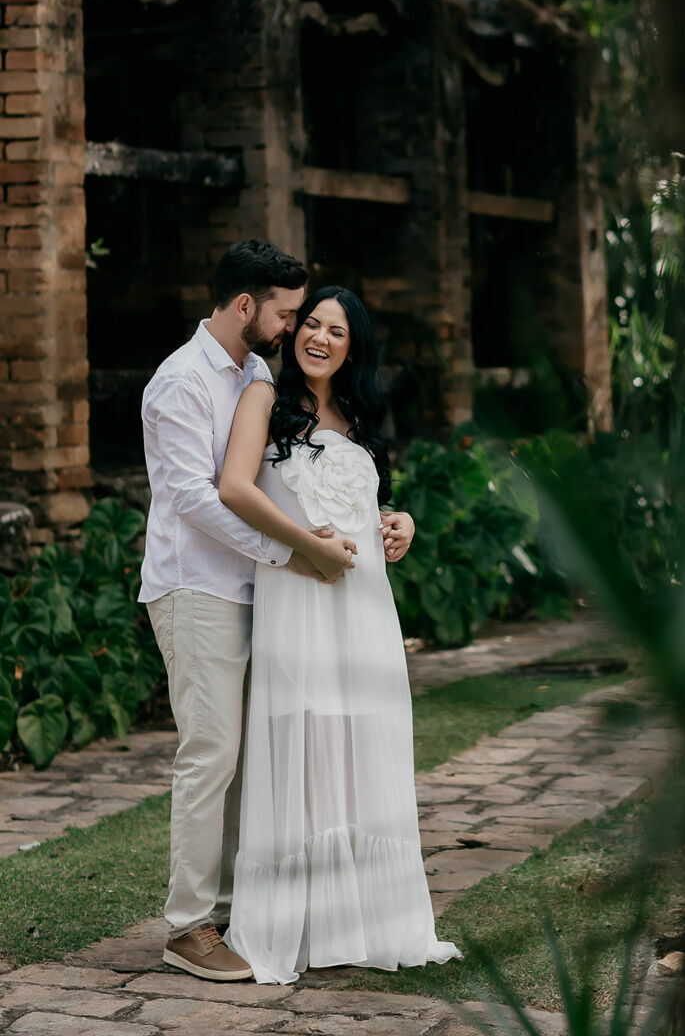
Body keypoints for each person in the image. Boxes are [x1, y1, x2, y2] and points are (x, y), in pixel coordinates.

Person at [217, 284, 460, 984]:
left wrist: (401, 523)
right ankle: (296, 922)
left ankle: (363, 919)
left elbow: (366, 506)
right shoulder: (265, 398)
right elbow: (238, 487)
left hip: (362, 604)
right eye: (311, 325)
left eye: (337, 331)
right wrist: (309, 547)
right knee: (306, 736)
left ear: (355, 347)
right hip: (299, 593)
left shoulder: (358, 412)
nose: (319, 338)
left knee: (360, 741)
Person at [141, 240, 361, 984]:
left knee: (246, 760)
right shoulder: (179, 383)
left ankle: (234, 907)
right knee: (211, 756)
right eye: (286, 312)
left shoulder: (256, 371)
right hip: (194, 588)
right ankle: (187, 927)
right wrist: (291, 553)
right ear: (246, 306)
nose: (293, 328)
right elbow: (198, 499)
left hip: (253, 592)